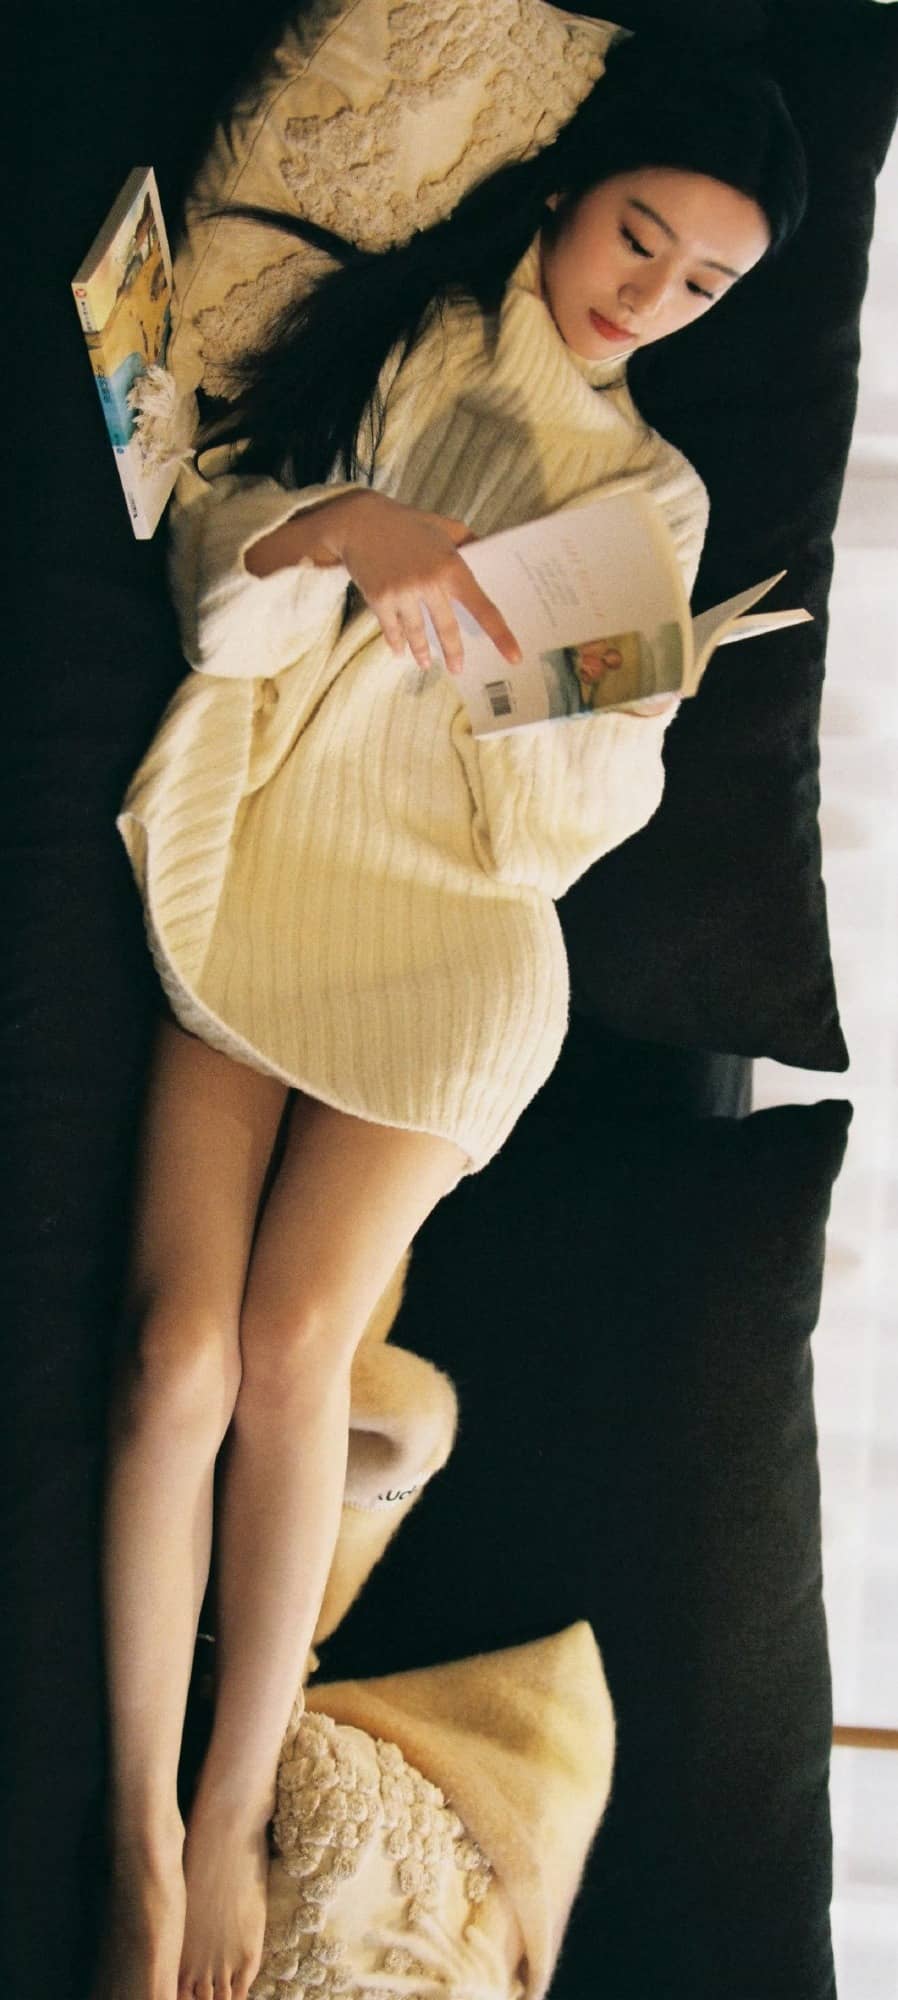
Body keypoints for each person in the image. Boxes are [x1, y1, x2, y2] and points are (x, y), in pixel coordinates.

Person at [93, 30, 807, 2000]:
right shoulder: (404, 337)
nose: (647, 294)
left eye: (701, 284)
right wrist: (340, 532)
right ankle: (137, 1827)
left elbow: (543, 843)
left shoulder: (649, 495)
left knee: (289, 1346)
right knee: (173, 1355)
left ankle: (226, 1811)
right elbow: (215, 592)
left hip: (458, 946)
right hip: (262, 859)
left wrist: (600, 714)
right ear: (571, 192)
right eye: (637, 235)